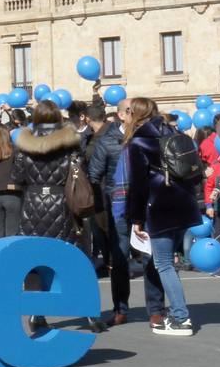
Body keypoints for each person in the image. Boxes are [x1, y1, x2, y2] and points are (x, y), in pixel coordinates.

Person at [12, 99, 104, 334]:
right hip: (63, 205)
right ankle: (90, 313)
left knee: (34, 262)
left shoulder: (25, 143)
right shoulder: (70, 141)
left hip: (32, 206)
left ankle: (36, 313)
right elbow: (78, 170)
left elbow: (17, 175)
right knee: (75, 258)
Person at [116, 97, 204, 336]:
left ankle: (180, 318)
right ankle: (177, 314)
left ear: (134, 114)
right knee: (169, 262)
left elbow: (139, 185)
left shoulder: (139, 142)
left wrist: (135, 218)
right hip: (183, 205)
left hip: (160, 208)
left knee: (163, 263)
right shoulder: (175, 132)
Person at [89, 97, 136, 324]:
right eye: (130, 110)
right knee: (119, 258)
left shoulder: (146, 137)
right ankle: (120, 309)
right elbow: (94, 175)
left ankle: (157, 308)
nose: (135, 114)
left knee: (152, 258)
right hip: (118, 208)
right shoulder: (107, 141)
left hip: (144, 205)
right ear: (120, 115)